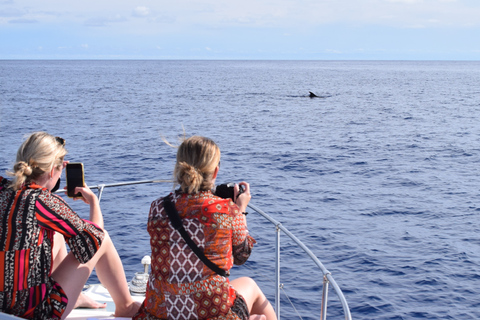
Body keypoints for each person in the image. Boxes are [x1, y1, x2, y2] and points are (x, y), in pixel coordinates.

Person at [133, 136, 276, 320]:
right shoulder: (226, 210)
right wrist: (241, 210)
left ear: (179, 169)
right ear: (215, 172)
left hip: (161, 313)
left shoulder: (157, 208)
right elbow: (242, 255)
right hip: (213, 313)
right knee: (251, 286)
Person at [0, 132, 140, 319]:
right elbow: (94, 239)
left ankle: (77, 295)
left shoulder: (3, 189)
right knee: (103, 237)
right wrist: (93, 203)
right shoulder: (43, 202)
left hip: (2, 305)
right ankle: (126, 306)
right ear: (52, 171)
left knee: (56, 232)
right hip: (32, 312)